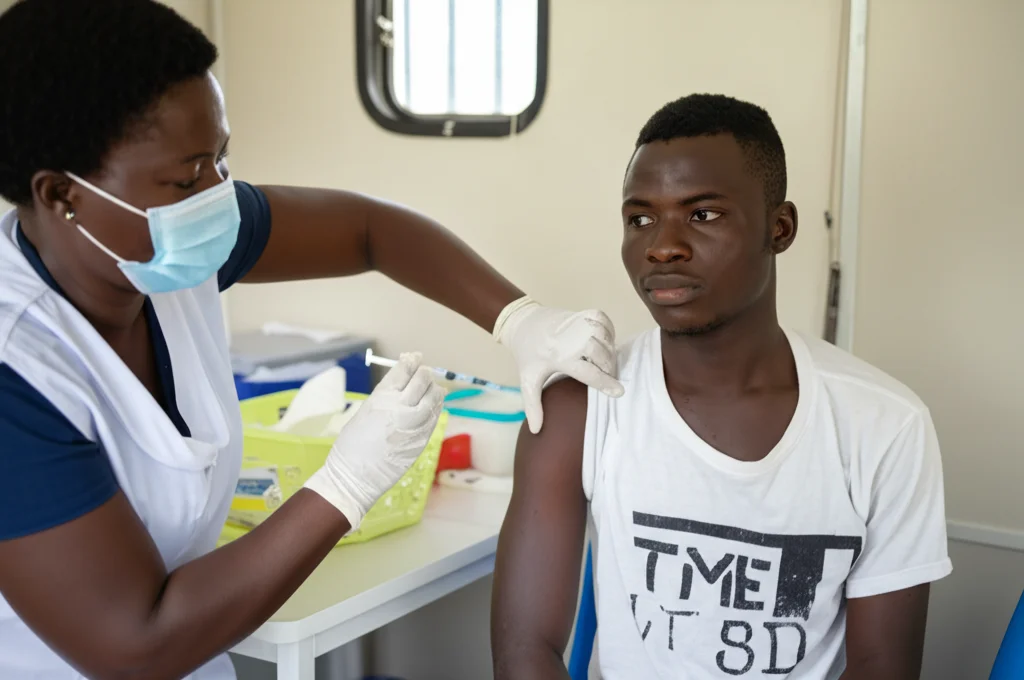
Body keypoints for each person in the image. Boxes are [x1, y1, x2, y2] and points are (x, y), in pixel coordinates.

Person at [0, 1, 623, 678]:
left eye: (222, 159)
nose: (216, 194)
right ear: (62, 194)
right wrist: (345, 484)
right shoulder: (17, 372)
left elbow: (368, 230)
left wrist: (518, 318)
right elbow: (136, 644)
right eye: (186, 178)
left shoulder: (162, 247)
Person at [491, 94, 952, 679]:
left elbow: (882, 669)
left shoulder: (885, 427)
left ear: (779, 228)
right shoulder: (581, 403)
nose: (662, 245)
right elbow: (524, 651)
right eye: (640, 218)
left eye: (702, 214)